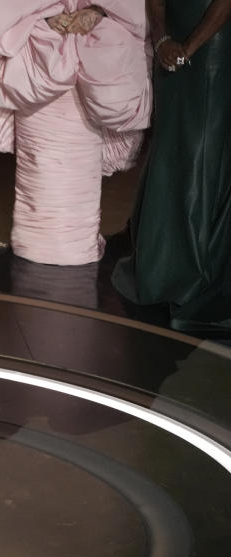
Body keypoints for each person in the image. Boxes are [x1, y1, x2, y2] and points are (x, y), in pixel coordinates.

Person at [0, 1, 152, 266]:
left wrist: (98, 15)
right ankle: (55, 246)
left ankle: (63, 246)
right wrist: (44, 16)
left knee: (63, 169)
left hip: (67, 66)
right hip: (42, 60)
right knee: (45, 164)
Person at [112, 0, 231, 333]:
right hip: (174, 47)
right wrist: (163, 40)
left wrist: (188, 49)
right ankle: (165, 266)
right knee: (173, 146)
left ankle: (192, 275)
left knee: (200, 152)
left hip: (214, 45)